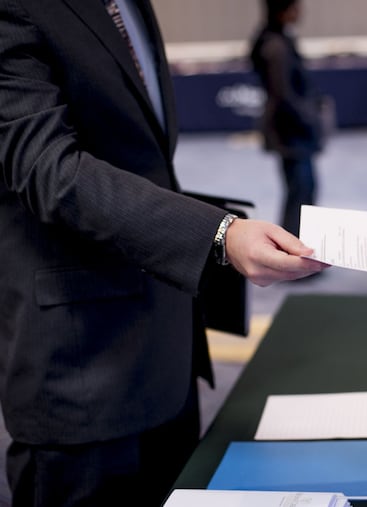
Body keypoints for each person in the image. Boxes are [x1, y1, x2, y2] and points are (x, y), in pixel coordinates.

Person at [0, 0, 326, 505]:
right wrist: (217, 234)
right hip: (84, 367)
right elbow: (49, 171)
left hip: (166, 350)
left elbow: (139, 159)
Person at [249, 0, 324, 237]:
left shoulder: (279, 41)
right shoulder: (276, 47)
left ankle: (296, 249)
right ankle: (293, 252)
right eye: (295, 6)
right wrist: (309, 119)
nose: (300, 11)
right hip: (291, 132)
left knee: (302, 191)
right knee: (300, 193)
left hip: (292, 130)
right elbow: (283, 95)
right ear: (284, 11)